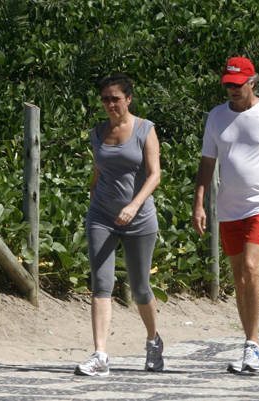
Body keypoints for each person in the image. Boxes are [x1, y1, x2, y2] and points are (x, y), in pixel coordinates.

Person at [192, 56, 259, 374]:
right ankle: (248, 343)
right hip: (228, 208)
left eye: (238, 85)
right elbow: (207, 164)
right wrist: (199, 203)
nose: (232, 90)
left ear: (253, 82)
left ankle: (254, 345)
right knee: (239, 277)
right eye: (228, 84)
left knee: (252, 268)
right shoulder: (216, 116)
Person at [75, 73, 164, 376]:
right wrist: (92, 195)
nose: (110, 104)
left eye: (115, 98)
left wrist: (133, 204)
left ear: (128, 99)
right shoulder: (97, 132)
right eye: (105, 99)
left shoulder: (145, 129)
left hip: (138, 218)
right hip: (101, 215)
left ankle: (153, 340)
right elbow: (99, 168)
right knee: (101, 284)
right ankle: (100, 354)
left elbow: (155, 174)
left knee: (139, 288)